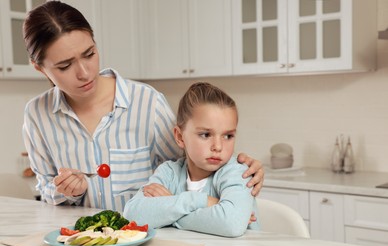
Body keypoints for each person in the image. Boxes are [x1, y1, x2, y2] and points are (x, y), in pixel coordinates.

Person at [22, 1, 264, 212]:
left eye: (89, 54)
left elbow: (193, 166)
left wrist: (238, 172)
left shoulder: (147, 103)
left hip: (150, 241)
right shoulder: (37, 115)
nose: (85, 72)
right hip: (82, 244)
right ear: (39, 67)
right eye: (64, 66)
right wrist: (66, 191)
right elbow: (46, 190)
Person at [124, 82, 259, 237]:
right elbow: (133, 215)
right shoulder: (168, 172)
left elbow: (232, 224)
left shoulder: (237, 171)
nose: (218, 146)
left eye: (228, 136)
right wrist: (204, 201)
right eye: (206, 135)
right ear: (180, 137)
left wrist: (171, 209)